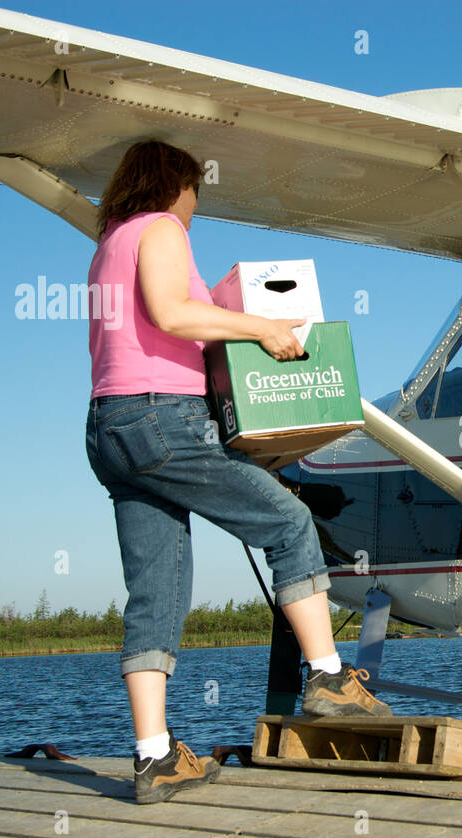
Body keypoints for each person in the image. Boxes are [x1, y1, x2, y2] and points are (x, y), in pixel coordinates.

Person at [85, 140, 390, 804]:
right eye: (195, 191)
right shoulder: (160, 228)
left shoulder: (107, 245)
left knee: (155, 592)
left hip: (110, 428)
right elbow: (172, 313)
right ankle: (331, 680)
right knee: (286, 521)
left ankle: (154, 756)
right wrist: (260, 329)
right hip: (161, 419)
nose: (196, 206)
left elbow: (148, 329)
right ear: (176, 185)